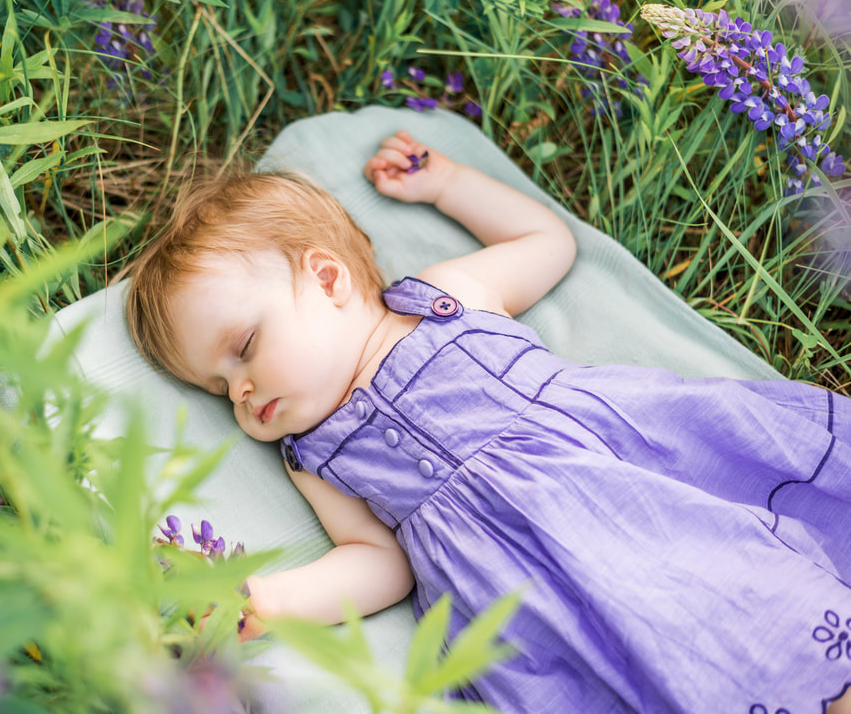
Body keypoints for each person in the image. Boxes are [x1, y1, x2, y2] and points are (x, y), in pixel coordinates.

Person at [125, 131, 851, 713]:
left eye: (244, 350)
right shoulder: (312, 453)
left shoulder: (444, 296)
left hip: (616, 477)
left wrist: (449, 184)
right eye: (219, 390)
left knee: (754, 592)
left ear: (327, 278)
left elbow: (548, 244)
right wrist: (274, 600)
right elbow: (378, 561)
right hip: (520, 590)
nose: (243, 393)